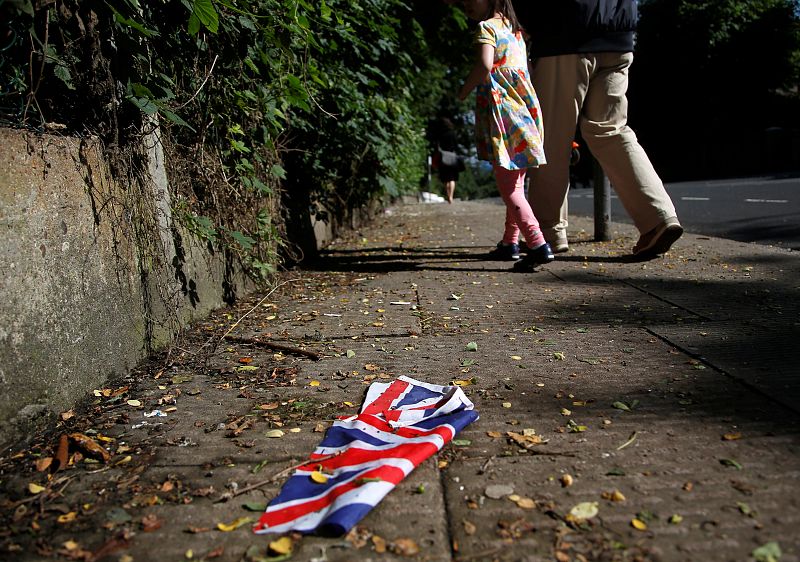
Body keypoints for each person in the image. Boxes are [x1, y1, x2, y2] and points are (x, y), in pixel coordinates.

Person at [515, 0, 683, 257]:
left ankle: (548, 231)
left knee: (553, 138)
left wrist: (527, 23)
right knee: (611, 130)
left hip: (565, 33)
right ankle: (658, 218)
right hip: (619, 34)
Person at [457, 0, 553, 271]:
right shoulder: (516, 33)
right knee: (516, 183)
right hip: (524, 116)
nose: (465, 5)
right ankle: (510, 242)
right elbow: (529, 74)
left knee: (508, 187)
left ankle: (537, 245)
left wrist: (464, 90)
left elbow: (485, 65)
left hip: (505, 117)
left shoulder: (487, 28)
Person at [433, 117, 462, 203]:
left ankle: (448, 195)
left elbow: (437, 147)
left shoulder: (440, 135)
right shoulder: (453, 134)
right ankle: (451, 196)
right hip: (452, 158)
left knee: (446, 179)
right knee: (452, 178)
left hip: (443, 158)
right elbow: (456, 146)